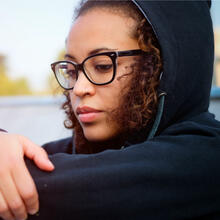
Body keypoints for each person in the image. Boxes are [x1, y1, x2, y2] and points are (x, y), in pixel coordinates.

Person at [0, 0, 220, 219]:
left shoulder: (209, 156)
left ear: (162, 68)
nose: (79, 88)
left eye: (103, 66)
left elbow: (69, 187)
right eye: (71, 71)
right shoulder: (69, 152)